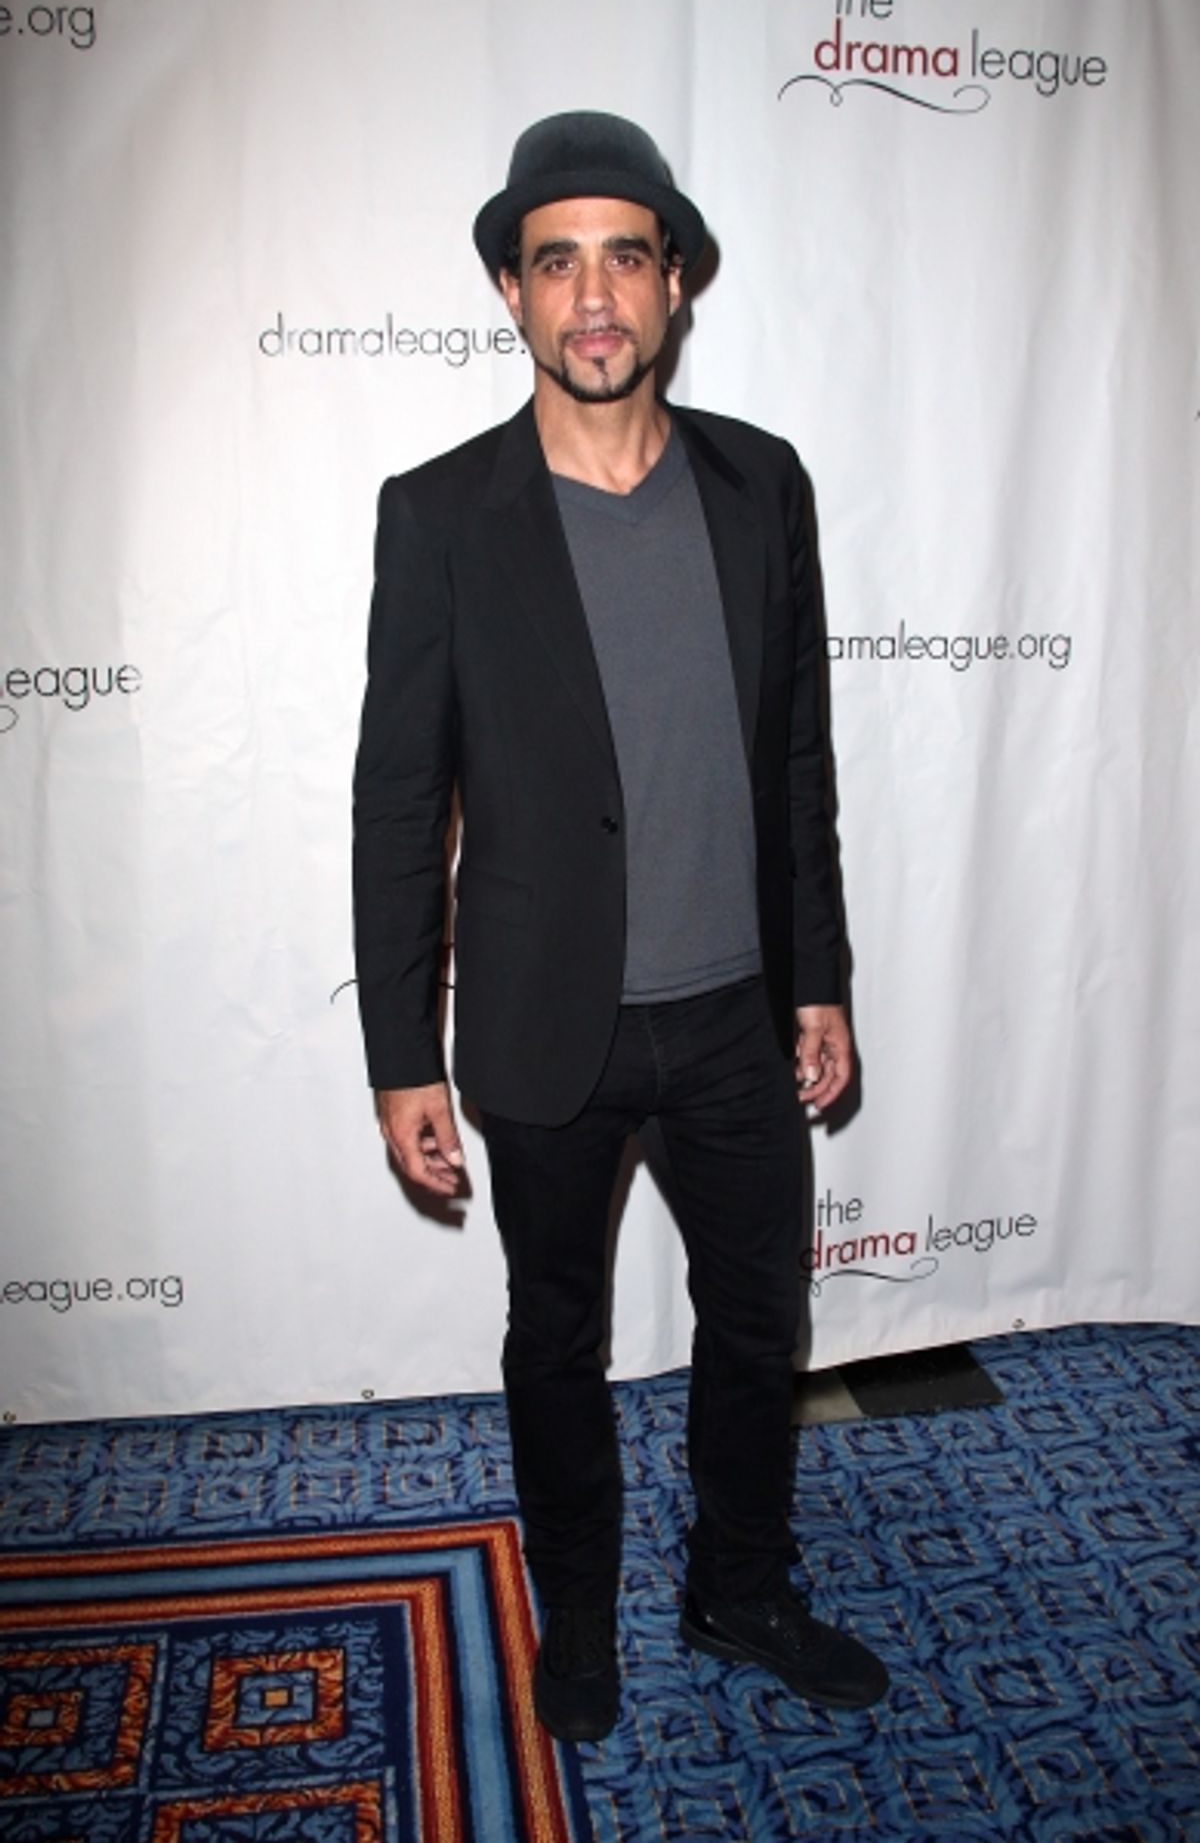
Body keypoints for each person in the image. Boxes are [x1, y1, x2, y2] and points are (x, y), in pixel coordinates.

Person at [353, 111, 889, 1742]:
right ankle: (574, 1612)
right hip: (541, 1026)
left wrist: (818, 977)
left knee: (760, 1326)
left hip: (735, 1015)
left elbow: (796, 757)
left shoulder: (760, 483)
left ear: (675, 287)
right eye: (557, 260)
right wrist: (399, 1054)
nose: (595, 296)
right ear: (513, 296)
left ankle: (739, 1583)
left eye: (626, 257)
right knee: (558, 1344)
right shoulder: (440, 512)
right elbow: (398, 799)